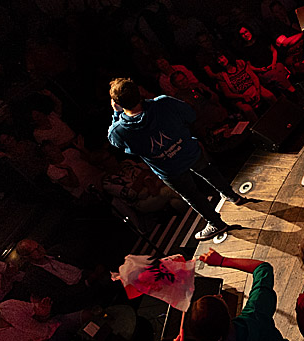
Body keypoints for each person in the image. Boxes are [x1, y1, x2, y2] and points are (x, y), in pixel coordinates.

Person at [106, 78, 247, 241]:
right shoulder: (163, 103)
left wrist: (117, 114)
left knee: (192, 195)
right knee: (209, 172)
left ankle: (216, 223)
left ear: (117, 103)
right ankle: (233, 196)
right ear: (139, 93)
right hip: (189, 151)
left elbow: (118, 144)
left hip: (170, 170)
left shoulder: (119, 130)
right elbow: (190, 114)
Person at [236, 24, 296, 96]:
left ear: (250, 31)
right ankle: (293, 91)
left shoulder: (261, 39)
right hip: (262, 71)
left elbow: (274, 51)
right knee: (276, 75)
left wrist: (273, 63)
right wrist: (260, 69)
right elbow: (249, 66)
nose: (245, 35)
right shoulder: (244, 49)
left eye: (246, 32)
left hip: (273, 64)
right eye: (242, 34)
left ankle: (288, 93)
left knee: (280, 68)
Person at [213, 54, 275, 123]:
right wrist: (243, 96)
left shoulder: (240, 63)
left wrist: (257, 90)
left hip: (252, 87)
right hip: (239, 96)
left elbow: (254, 77)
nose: (221, 61)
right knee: (247, 110)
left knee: (269, 96)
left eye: (221, 57)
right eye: (218, 60)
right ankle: (259, 127)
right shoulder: (220, 75)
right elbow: (228, 94)